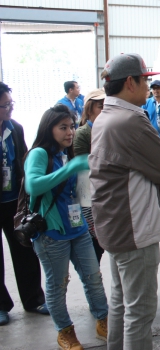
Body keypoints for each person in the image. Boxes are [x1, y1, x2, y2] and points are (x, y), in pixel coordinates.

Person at [89, 53, 160, 350]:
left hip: (115, 227)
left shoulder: (105, 117)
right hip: (134, 230)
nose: (149, 86)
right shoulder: (129, 119)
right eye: (145, 80)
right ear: (130, 82)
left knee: (121, 303)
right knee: (140, 313)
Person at [25, 104, 108, 350]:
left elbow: (78, 193)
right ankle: (65, 332)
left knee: (93, 277)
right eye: (63, 127)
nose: (70, 132)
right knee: (57, 285)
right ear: (48, 128)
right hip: (51, 234)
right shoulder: (40, 154)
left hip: (78, 229)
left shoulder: (67, 154)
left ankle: (103, 320)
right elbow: (33, 185)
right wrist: (70, 169)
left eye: (71, 126)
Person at [0, 82, 49, 327]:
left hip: (13, 202)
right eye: (5, 105)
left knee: (25, 249)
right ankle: (1, 306)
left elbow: (23, 159)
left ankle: (34, 300)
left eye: (11, 103)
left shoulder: (15, 128)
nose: (10, 108)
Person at [73, 88, 106, 263]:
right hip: (89, 196)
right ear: (89, 109)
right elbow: (83, 167)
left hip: (106, 194)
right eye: (101, 106)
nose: (105, 110)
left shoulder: (108, 129)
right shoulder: (82, 133)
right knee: (94, 247)